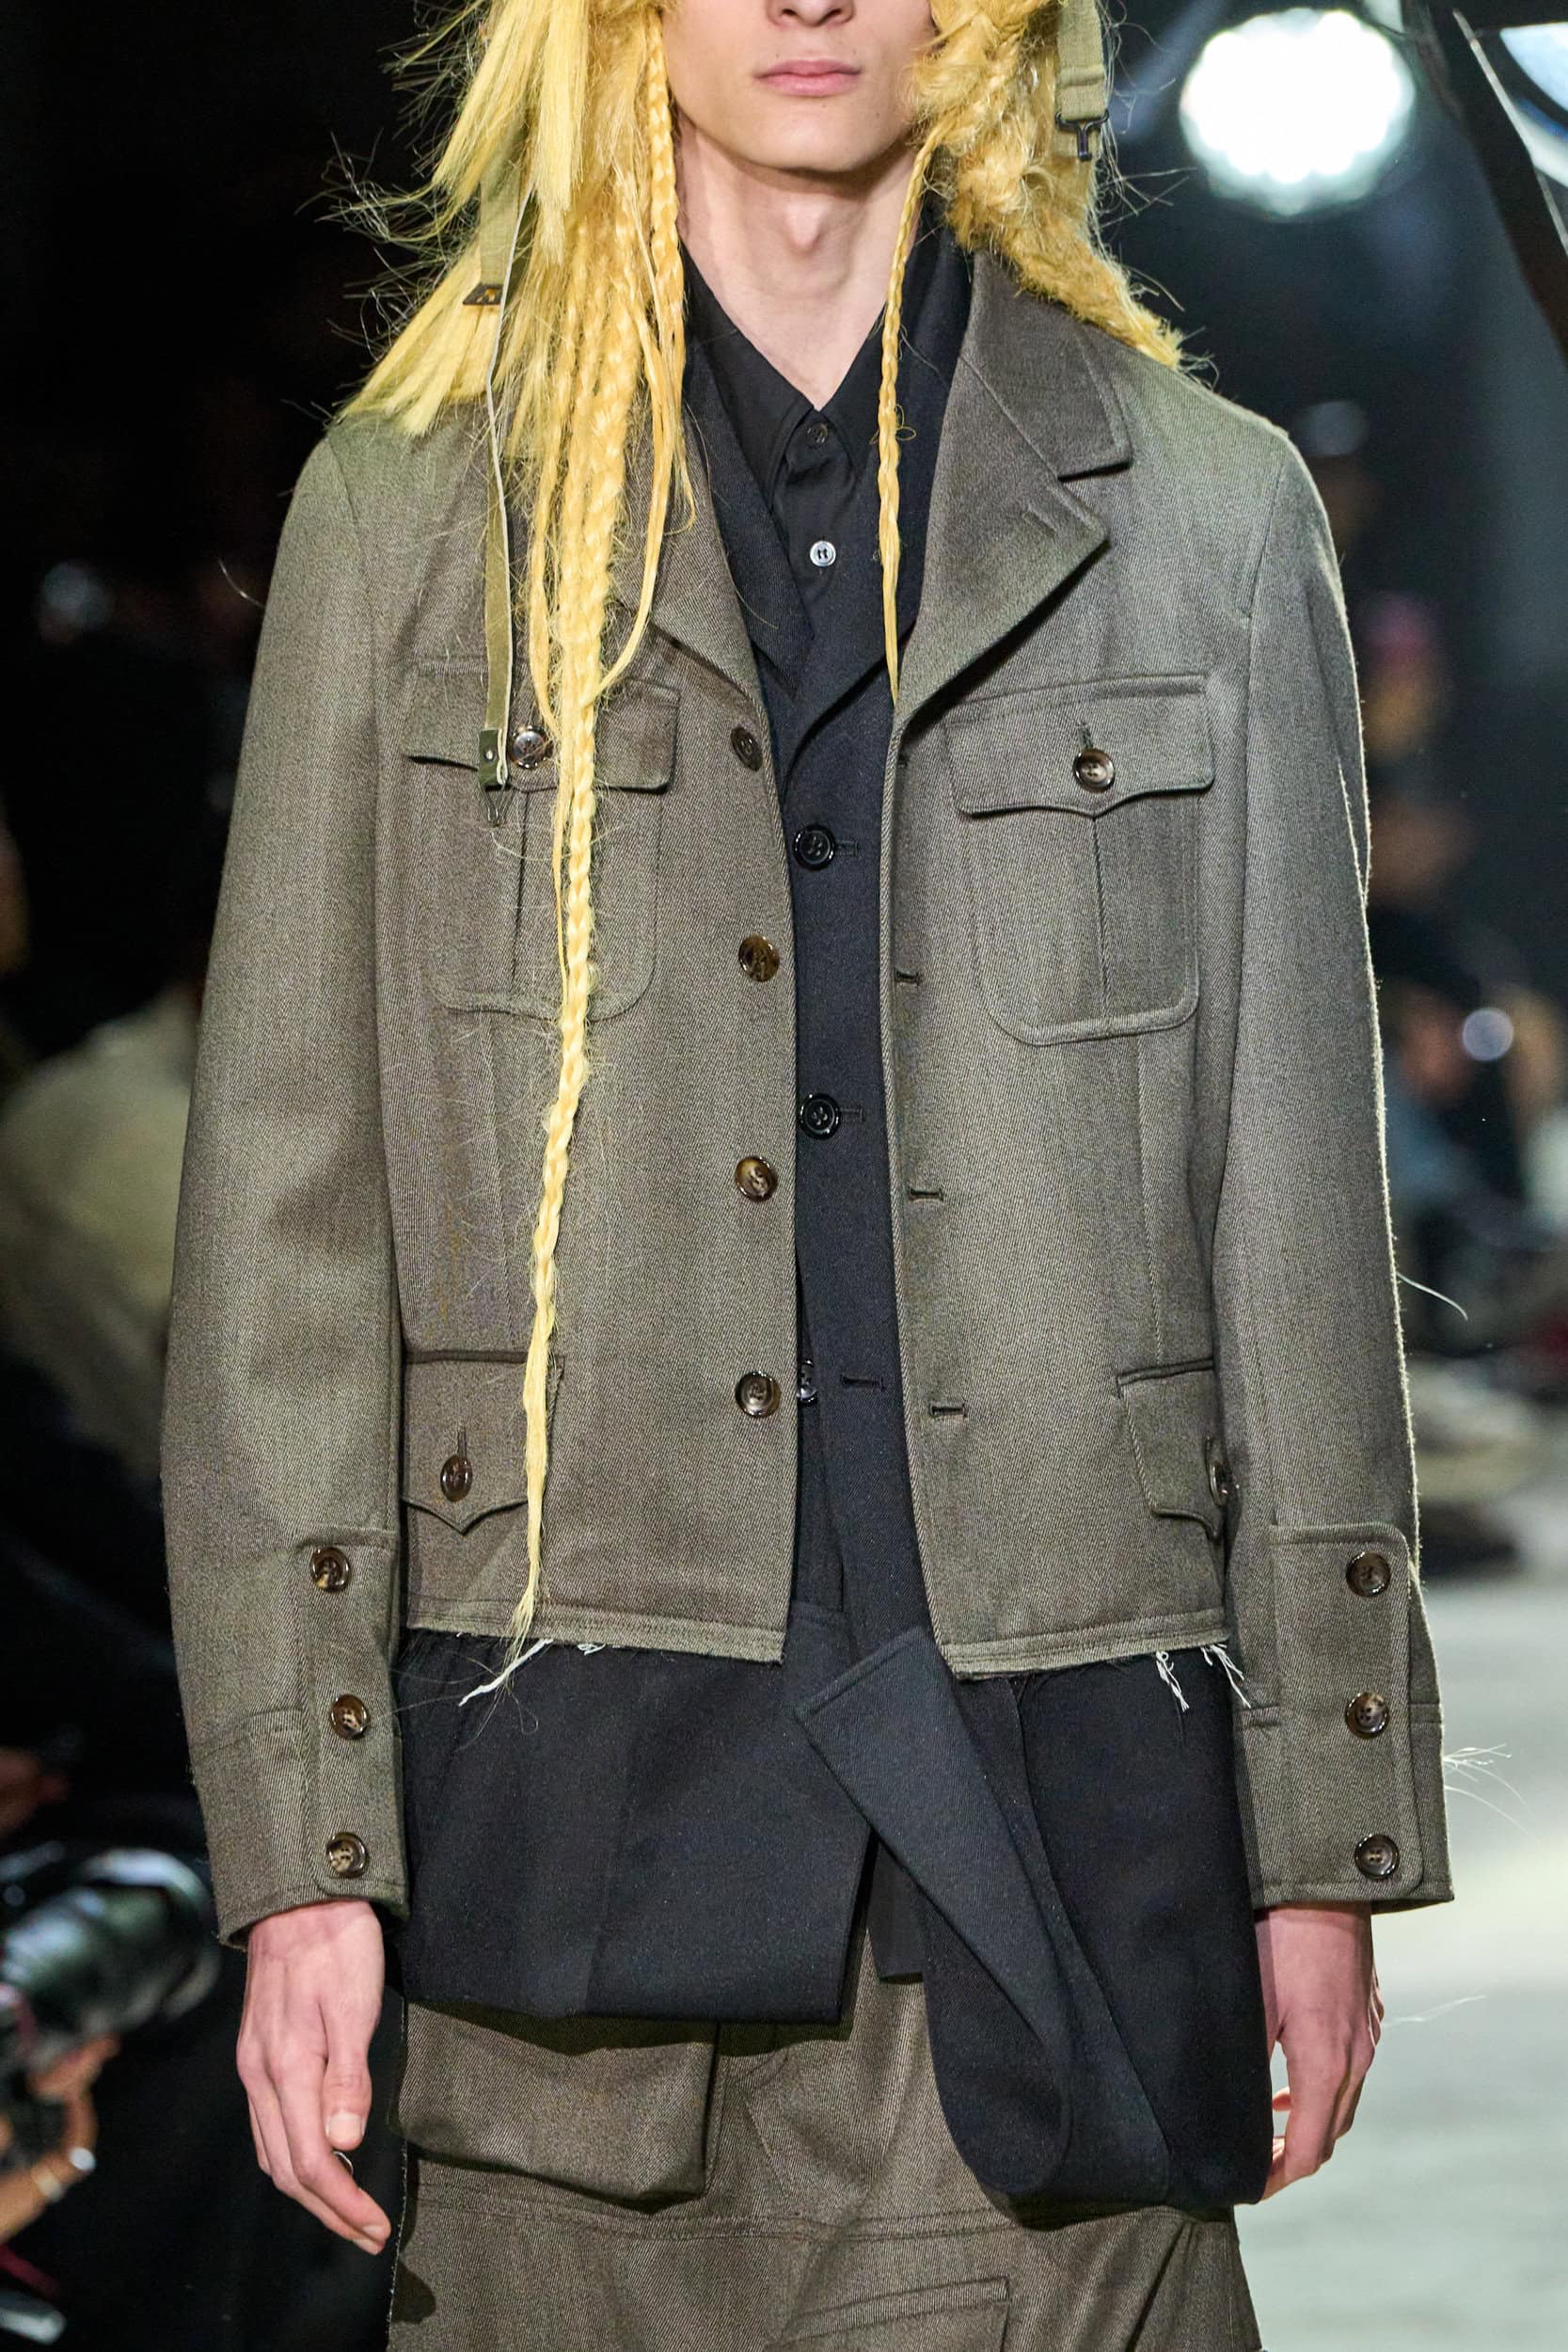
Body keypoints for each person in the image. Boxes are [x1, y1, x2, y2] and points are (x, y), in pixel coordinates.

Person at [160, 4, 1453, 2346]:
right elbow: (289, 1223)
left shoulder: (1203, 515)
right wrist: (300, 1846)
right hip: (560, 1856)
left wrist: (1322, 1827)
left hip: (1060, 1833)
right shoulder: (416, 515)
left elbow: (1292, 1215)